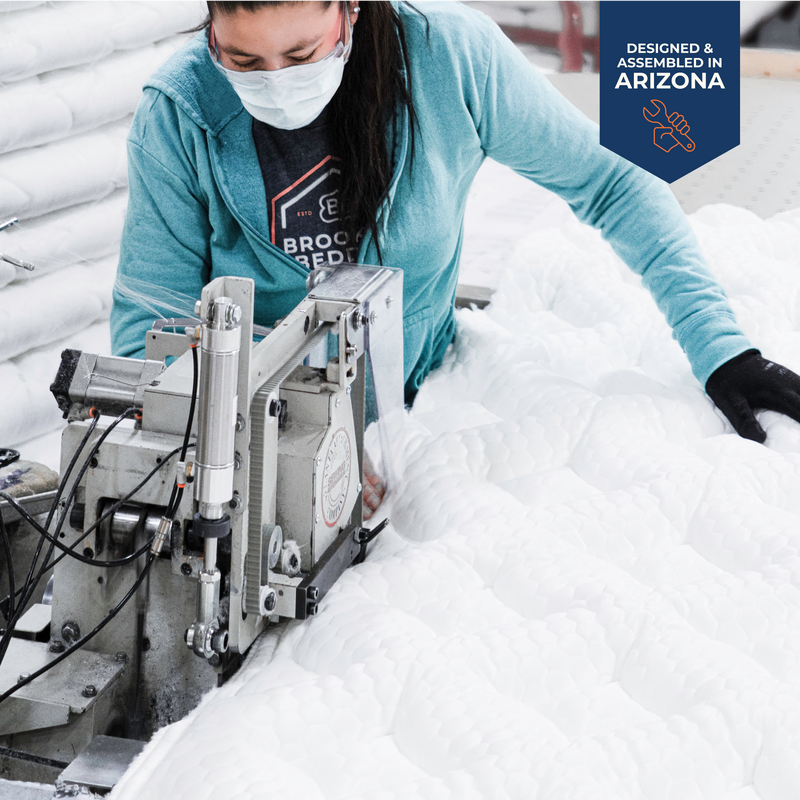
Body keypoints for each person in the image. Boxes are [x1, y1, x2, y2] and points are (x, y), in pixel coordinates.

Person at [111, 0, 800, 506]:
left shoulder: (448, 58)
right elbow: (152, 324)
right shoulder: (181, 112)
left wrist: (721, 349)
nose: (277, 82)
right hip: (254, 420)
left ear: (350, 11)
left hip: (422, 392)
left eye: (300, 56)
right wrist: (277, 455)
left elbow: (613, 181)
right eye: (243, 61)